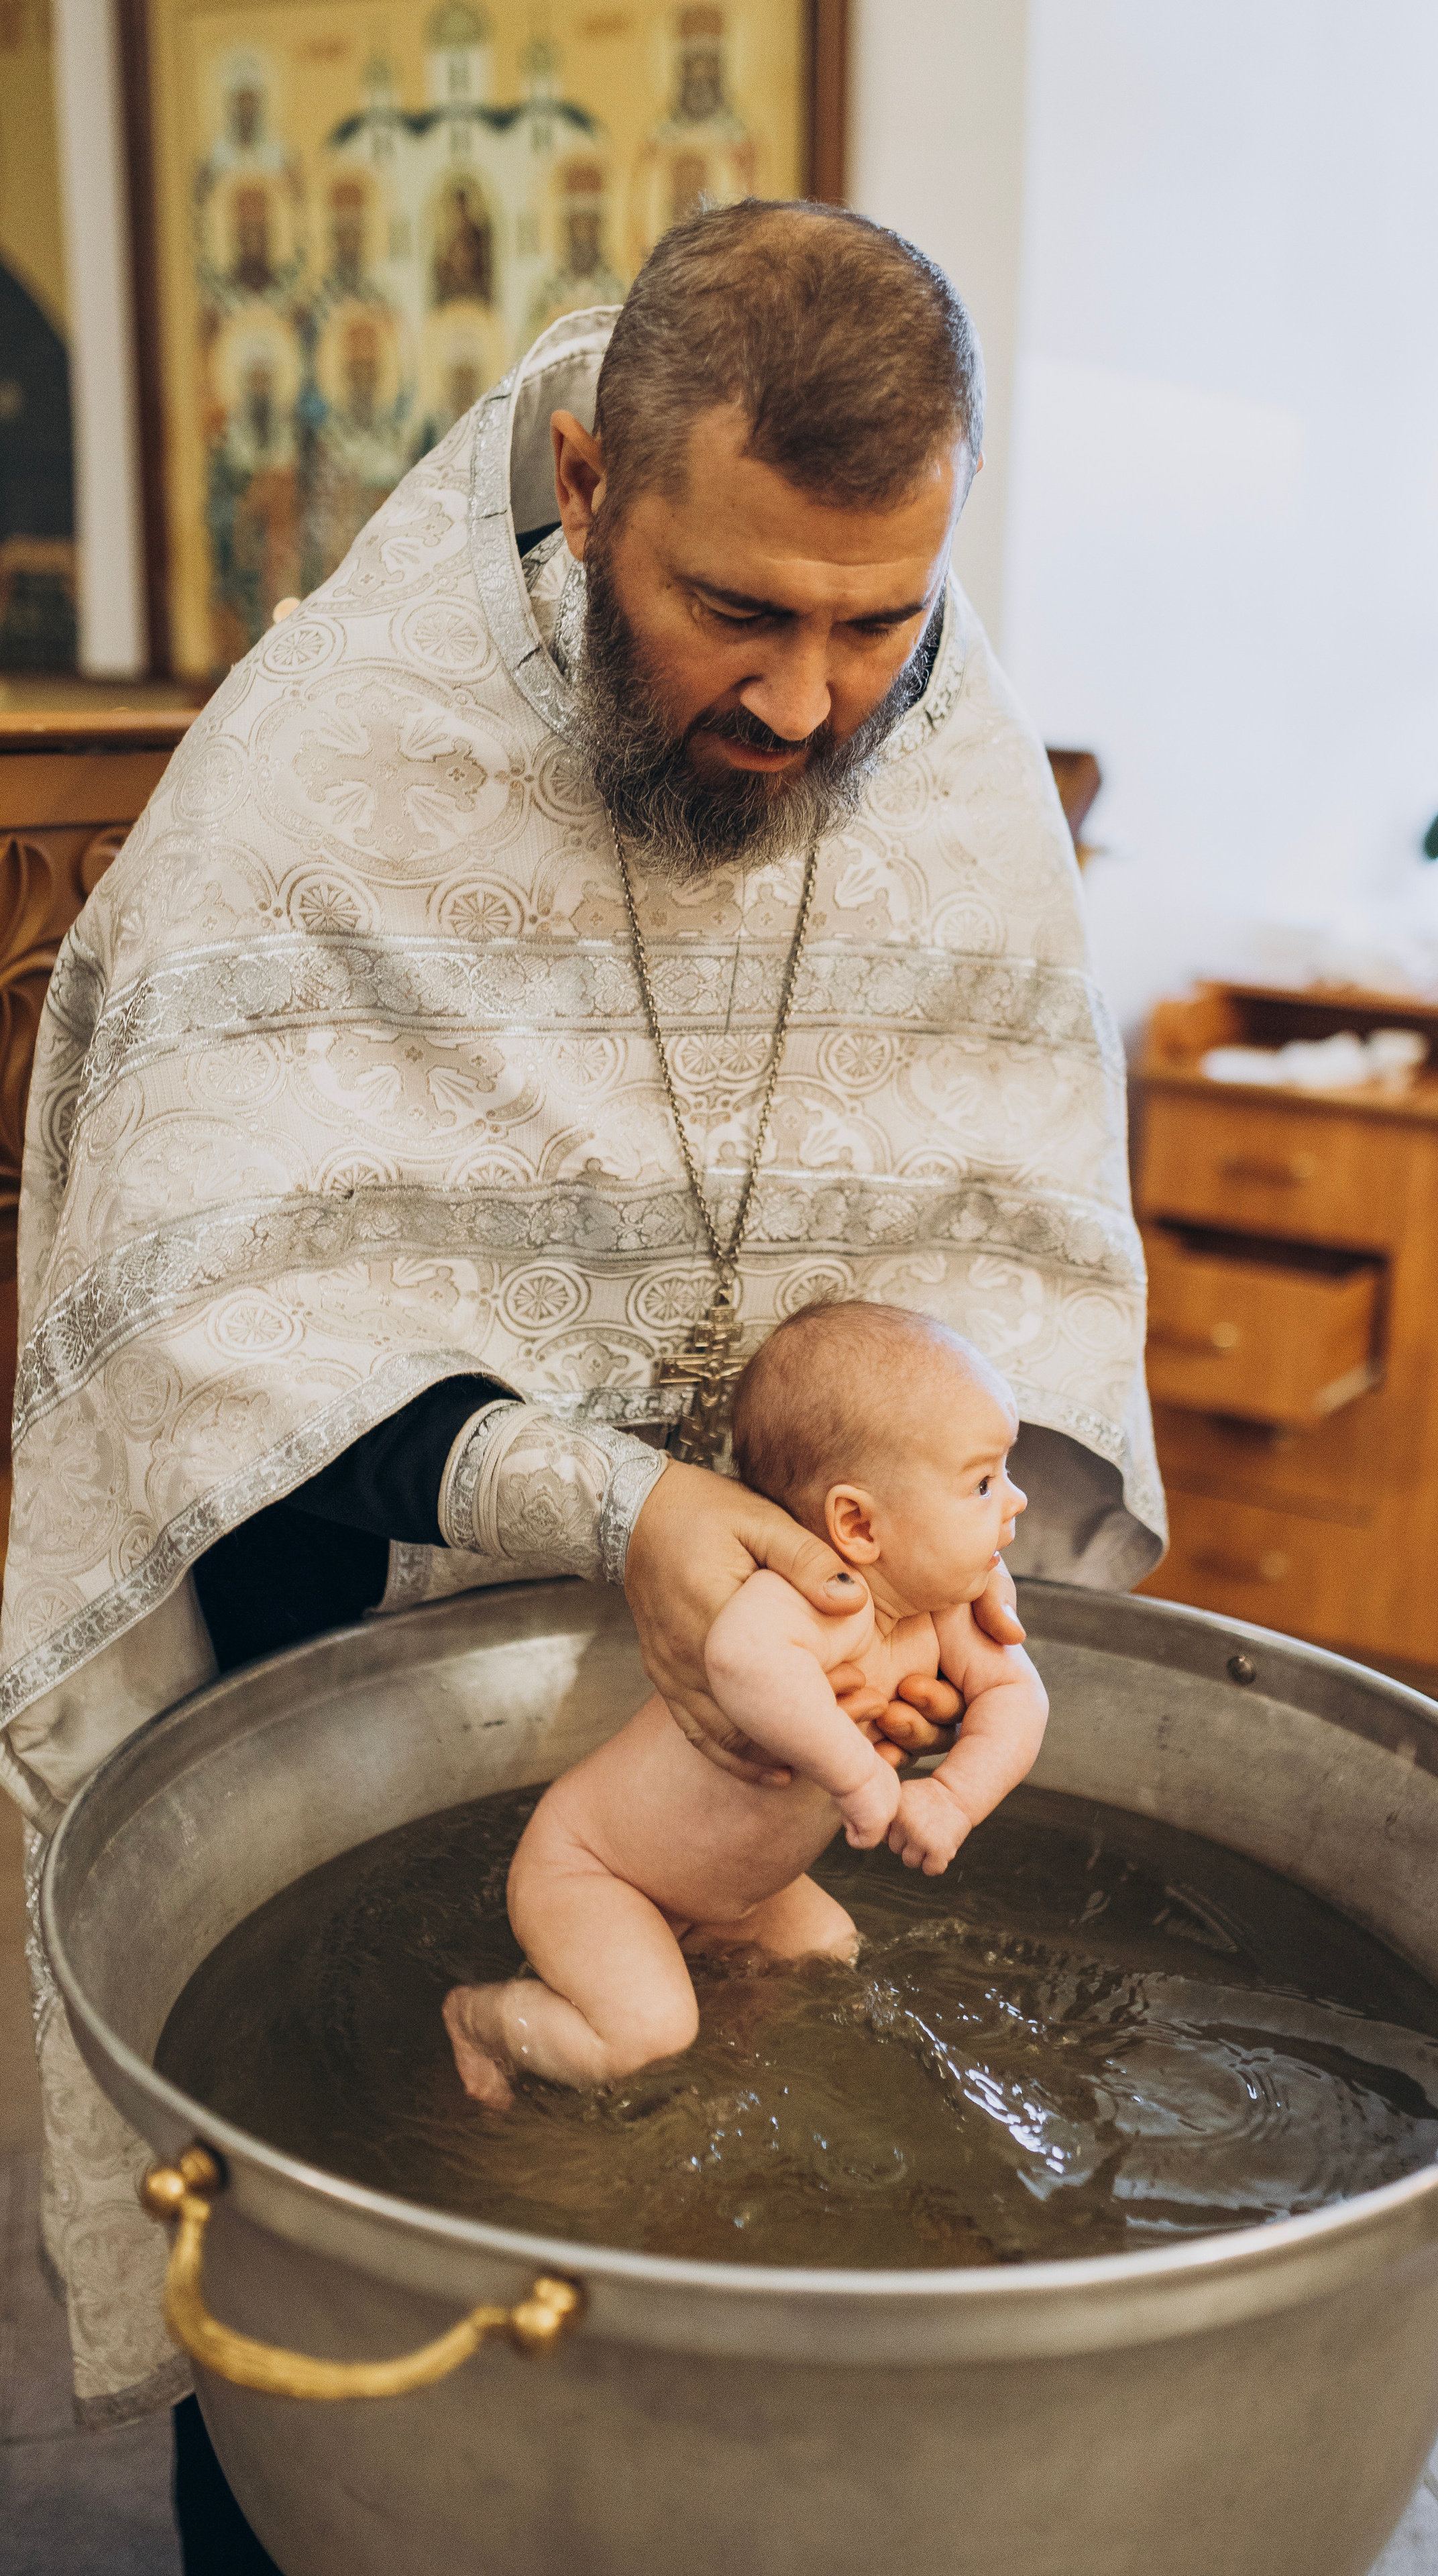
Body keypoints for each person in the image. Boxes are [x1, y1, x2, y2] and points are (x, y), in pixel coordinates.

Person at [0, 197, 1162, 2563]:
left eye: (878, 619)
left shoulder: (950, 767)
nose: (815, 702)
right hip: (376, 1672)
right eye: (736, 610)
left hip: (790, 1712)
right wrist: (612, 1511)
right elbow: (205, 1323)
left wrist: (946, 1546)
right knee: (362, 2345)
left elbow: (1021, 1262)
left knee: (743, 2329)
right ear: (591, 477)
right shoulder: (335, 751)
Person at [444, 1302, 1047, 2104]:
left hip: (736, 1893)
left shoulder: (949, 1605)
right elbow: (741, 1662)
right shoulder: (810, 1600)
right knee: (648, 2039)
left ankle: (733, 2078)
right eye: (981, 1481)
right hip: (598, 1871)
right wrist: (858, 1779)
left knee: (828, 1950)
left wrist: (955, 1795)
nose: (1017, 1501)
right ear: (857, 1524)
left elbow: (1017, 1694)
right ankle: (483, 2018)